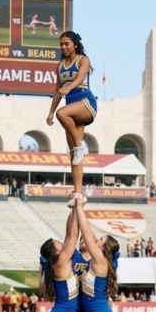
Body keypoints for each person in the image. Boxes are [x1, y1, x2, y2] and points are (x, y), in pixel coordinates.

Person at [45, 32, 96, 206]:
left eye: (66, 44)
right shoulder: (59, 65)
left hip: (85, 103)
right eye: (61, 44)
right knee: (74, 155)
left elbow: (81, 78)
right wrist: (50, 111)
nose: (63, 47)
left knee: (62, 114)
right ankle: (78, 194)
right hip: (70, 107)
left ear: (74, 44)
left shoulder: (83, 60)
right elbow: (57, 90)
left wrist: (69, 87)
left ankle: (79, 145)